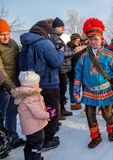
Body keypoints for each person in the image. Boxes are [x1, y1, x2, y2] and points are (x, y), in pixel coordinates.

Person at [73, 18, 113, 148]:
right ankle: (95, 137)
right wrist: (76, 88)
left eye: (95, 39)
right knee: (89, 115)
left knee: (107, 114)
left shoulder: (110, 55)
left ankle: (111, 129)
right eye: (90, 39)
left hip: (105, 90)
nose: (92, 41)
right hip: (89, 91)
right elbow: (78, 72)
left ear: (101, 39)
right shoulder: (84, 56)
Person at [20, 20, 63, 151]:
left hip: (33, 85)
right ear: (45, 31)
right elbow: (57, 62)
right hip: (48, 83)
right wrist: (60, 51)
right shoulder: (44, 43)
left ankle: (42, 137)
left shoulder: (27, 43)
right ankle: (48, 140)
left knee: (38, 112)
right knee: (53, 111)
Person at [13, 71, 56, 160]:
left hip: (29, 126)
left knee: (30, 143)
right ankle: (36, 157)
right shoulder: (30, 96)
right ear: (32, 84)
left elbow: (36, 108)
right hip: (35, 127)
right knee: (37, 144)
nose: (38, 84)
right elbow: (37, 113)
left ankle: (29, 157)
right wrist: (48, 114)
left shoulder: (24, 93)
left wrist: (45, 109)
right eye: (37, 82)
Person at [0, 18, 26, 149]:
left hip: (14, 84)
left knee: (12, 113)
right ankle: (2, 141)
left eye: (7, 33)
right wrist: (12, 89)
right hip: (3, 87)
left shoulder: (13, 43)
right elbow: (1, 73)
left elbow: (19, 60)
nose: (6, 37)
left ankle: (13, 138)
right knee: (2, 114)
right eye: (2, 34)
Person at [50, 17, 73, 119]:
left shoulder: (55, 38)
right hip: (60, 69)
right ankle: (58, 113)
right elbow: (62, 53)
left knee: (62, 92)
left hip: (61, 69)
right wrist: (75, 51)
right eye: (62, 27)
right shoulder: (55, 39)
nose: (63, 29)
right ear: (56, 27)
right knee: (60, 92)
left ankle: (61, 110)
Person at [67, 33, 84, 111]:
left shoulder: (79, 47)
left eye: (79, 40)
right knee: (73, 86)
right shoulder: (69, 48)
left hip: (79, 69)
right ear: (72, 40)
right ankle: (73, 103)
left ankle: (77, 101)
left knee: (78, 86)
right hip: (72, 70)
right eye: (76, 40)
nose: (78, 41)